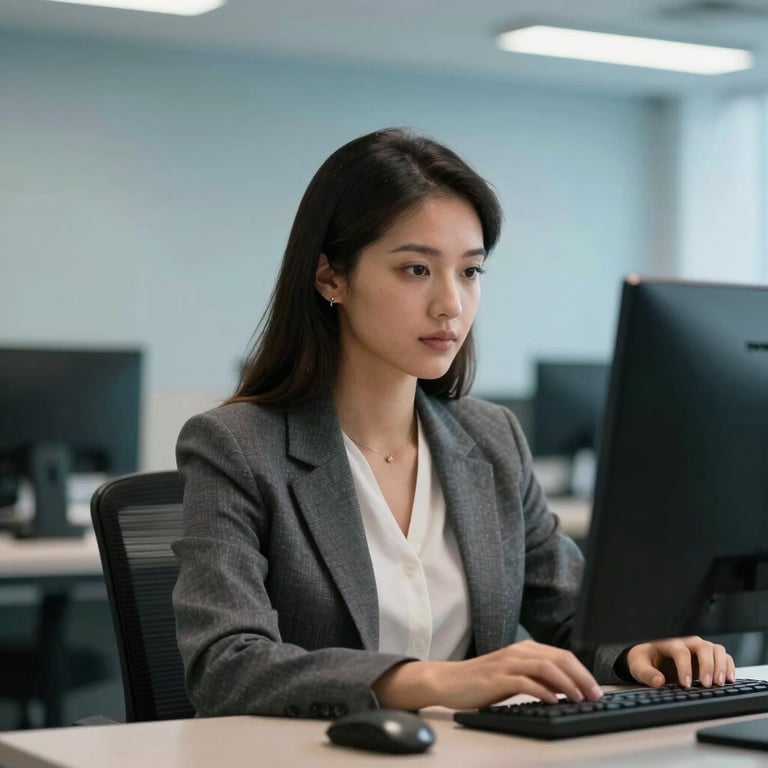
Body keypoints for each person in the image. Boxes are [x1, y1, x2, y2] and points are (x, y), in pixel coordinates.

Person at [172, 127, 735, 719]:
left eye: (469, 272)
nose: (451, 304)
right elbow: (225, 665)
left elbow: (569, 614)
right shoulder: (236, 447)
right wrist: (431, 682)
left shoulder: (491, 439)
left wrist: (639, 648)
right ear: (330, 277)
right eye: (416, 270)